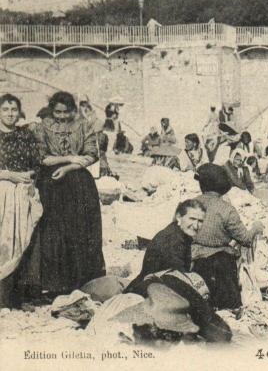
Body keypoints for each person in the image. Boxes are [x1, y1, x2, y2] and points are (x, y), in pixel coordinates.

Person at [17, 91, 105, 298]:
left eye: (66, 112)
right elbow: (41, 157)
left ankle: (82, 281)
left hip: (79, 185)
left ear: (73, 110)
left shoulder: (85, 125)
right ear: (52, 110)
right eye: (58, 112)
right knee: (54, 233)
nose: (62, 116)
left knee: (81, 231)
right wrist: (69, 159)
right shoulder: (42, 126)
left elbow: (92, 154)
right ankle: (54, 284)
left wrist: (68, 166)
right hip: (52, 184)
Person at [191, 164, 264, 310]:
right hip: (218, 264)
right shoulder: (227, 210)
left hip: (192, 260)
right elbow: (246, 239)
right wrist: (256, 228)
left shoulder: (190, 205)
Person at [0, 94, 44, 308]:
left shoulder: (25, 135)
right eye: (5, 109)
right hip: (2, 192)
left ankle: (21, 295)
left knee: (26, 238)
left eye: (13, 109)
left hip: (23, 191)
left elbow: (36, 163)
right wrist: (9, 175)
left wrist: (28, 175)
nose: (10, 113)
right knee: (5, 241)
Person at [125, 199, 206, 296]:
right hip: (150, 292)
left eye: (200, 221)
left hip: (154, 286)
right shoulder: (173, 239)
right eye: (192, 219)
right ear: (179, 217)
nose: (196, 225)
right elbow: (179, 279)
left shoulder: (178, 233)